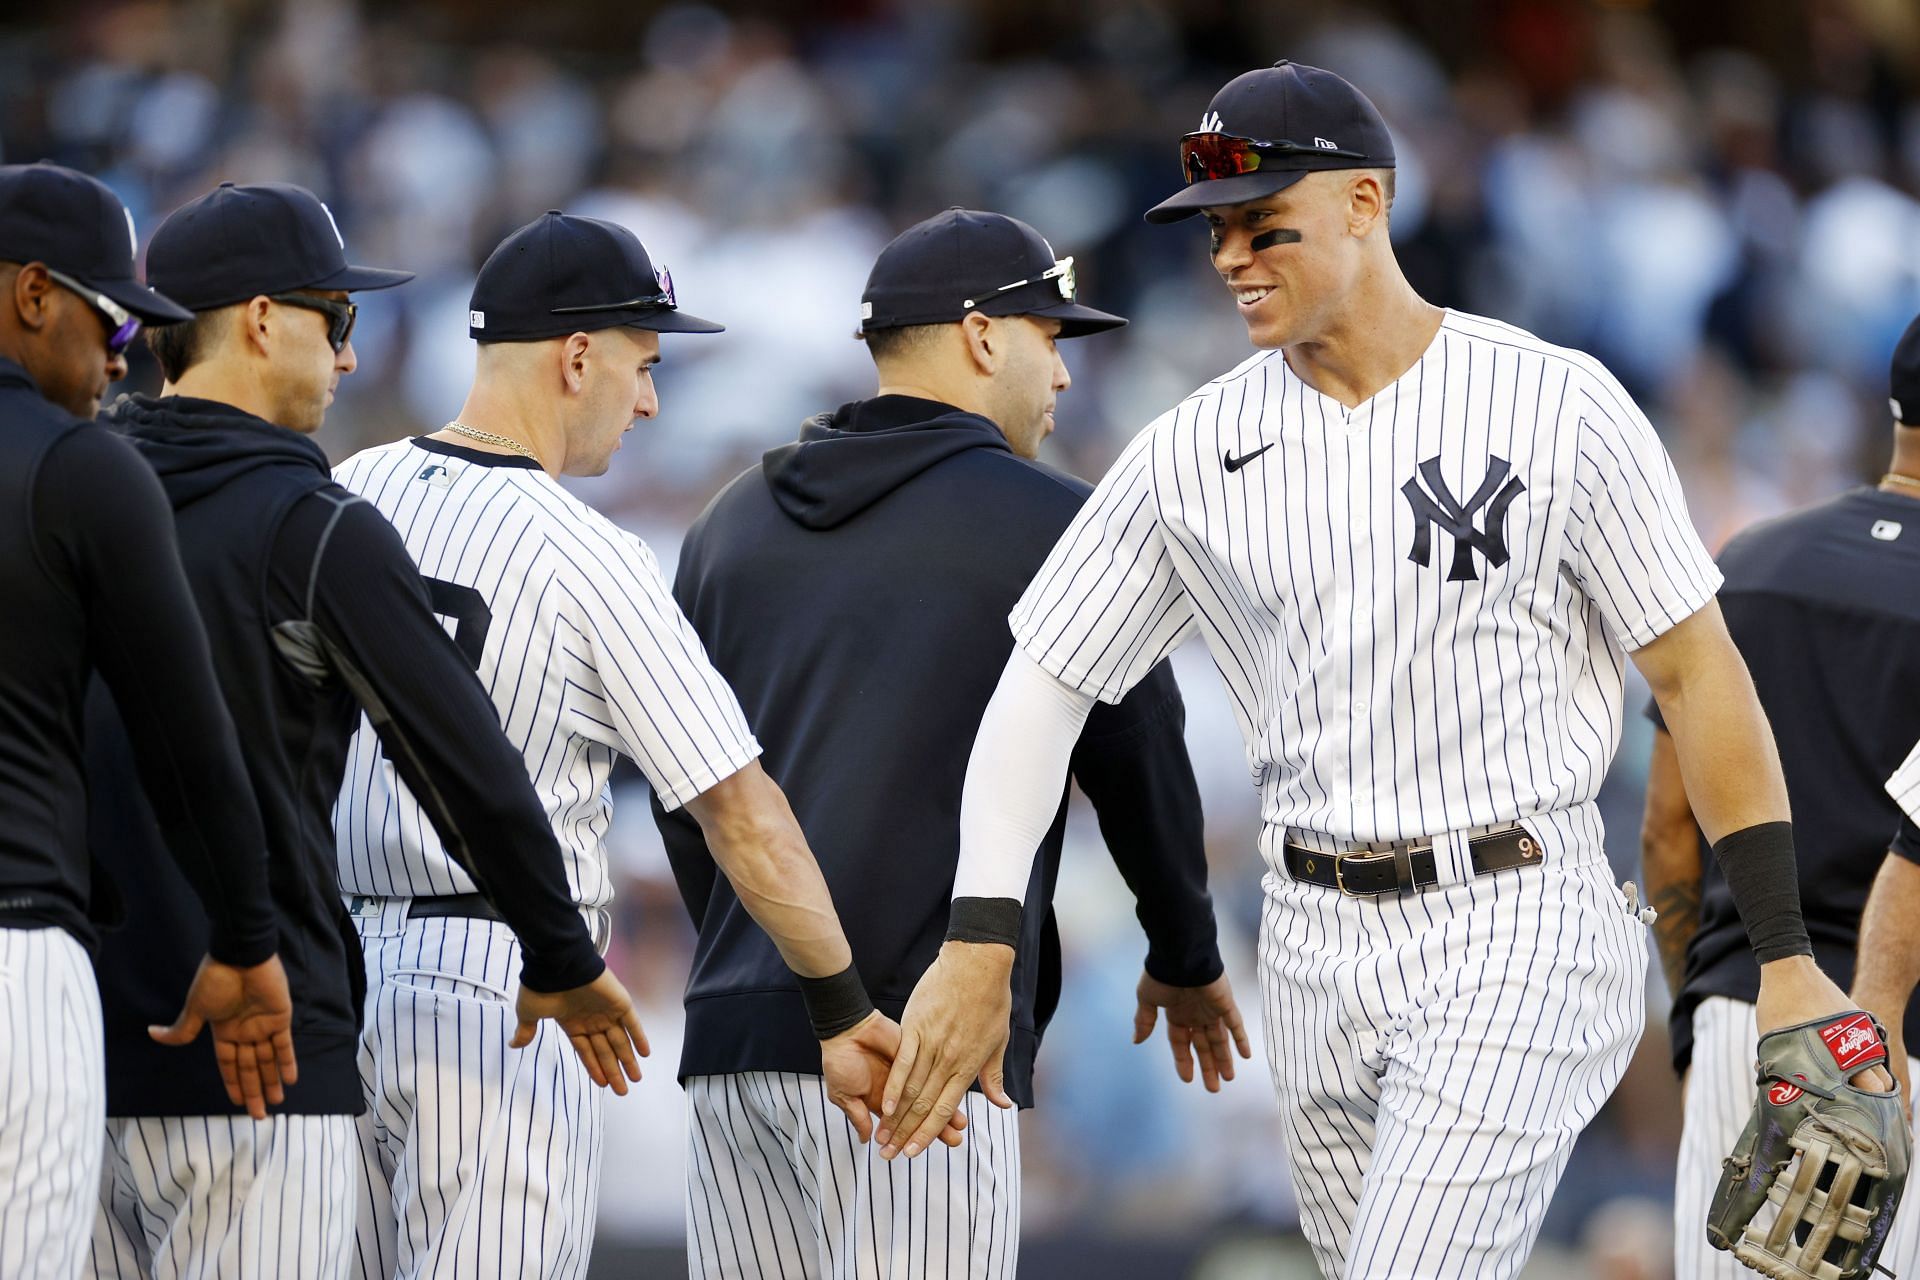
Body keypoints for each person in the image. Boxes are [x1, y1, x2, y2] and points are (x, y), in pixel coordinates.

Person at [878, 60, 1889, 1278]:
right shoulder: (1192, 450)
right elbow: (1040, 688)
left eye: (1265, 225)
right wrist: (983, 934)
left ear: (1367, 203)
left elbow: (1698, 675)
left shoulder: (1553, 403)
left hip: (1516, 910)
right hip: (1308, 939)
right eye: (1214, 233)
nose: (1232, 258)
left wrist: (1782, 955)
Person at [330, 211, 945, 1280]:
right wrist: (841, 1005)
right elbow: (742, 813)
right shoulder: (586, 551)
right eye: (642, 362)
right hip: (511, 985)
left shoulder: (348, 490)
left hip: (333, 969)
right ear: (577, 356)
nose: (651, 398)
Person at [653, 207, 1247, 1278]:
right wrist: (1187, 951)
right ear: (982, 336)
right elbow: (1143, 751)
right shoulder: (1058, 521)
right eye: (1049, 337)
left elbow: (684, 798)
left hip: (737, 1039)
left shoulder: (728, 522)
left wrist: (773, 956)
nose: (1063, 376)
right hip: (921, 1055)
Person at [81, 183, 641, 1280]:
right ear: (257, 320)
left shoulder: (69, 495)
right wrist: (563, 953)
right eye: (337, 320)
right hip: (262, 1057)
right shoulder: (310, 521)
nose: (348, 359)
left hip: (67, 1048)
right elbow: (465, 763)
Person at [0, 161, 295, 1279]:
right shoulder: (82, 466)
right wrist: (246, 937)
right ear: (35, 294)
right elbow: (188, 742)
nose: (125, 359)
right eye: (113, 320)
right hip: (17, 960)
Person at [1642, 312, 1920, 1278]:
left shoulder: (1751, 561)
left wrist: (1703, 1011)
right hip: (1904, 1049)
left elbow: (1669, 834)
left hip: (1747, 1018)